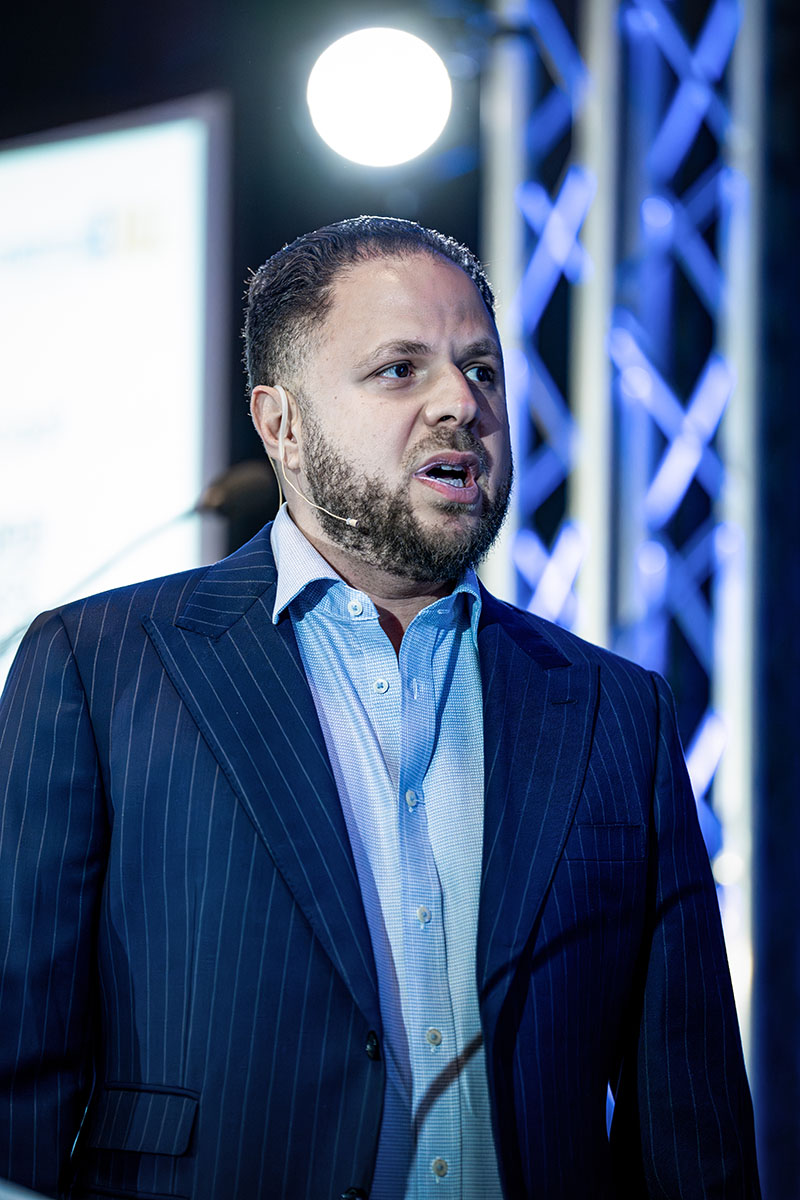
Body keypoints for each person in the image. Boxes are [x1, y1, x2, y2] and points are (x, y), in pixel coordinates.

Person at [0, 216, 760, 1199]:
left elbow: (691, 1129)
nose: (461, 404)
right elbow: (15, 1082)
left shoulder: (619, 712)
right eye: (401, 370)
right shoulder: (98, 667)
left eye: (481, 371)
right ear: (281, 425)